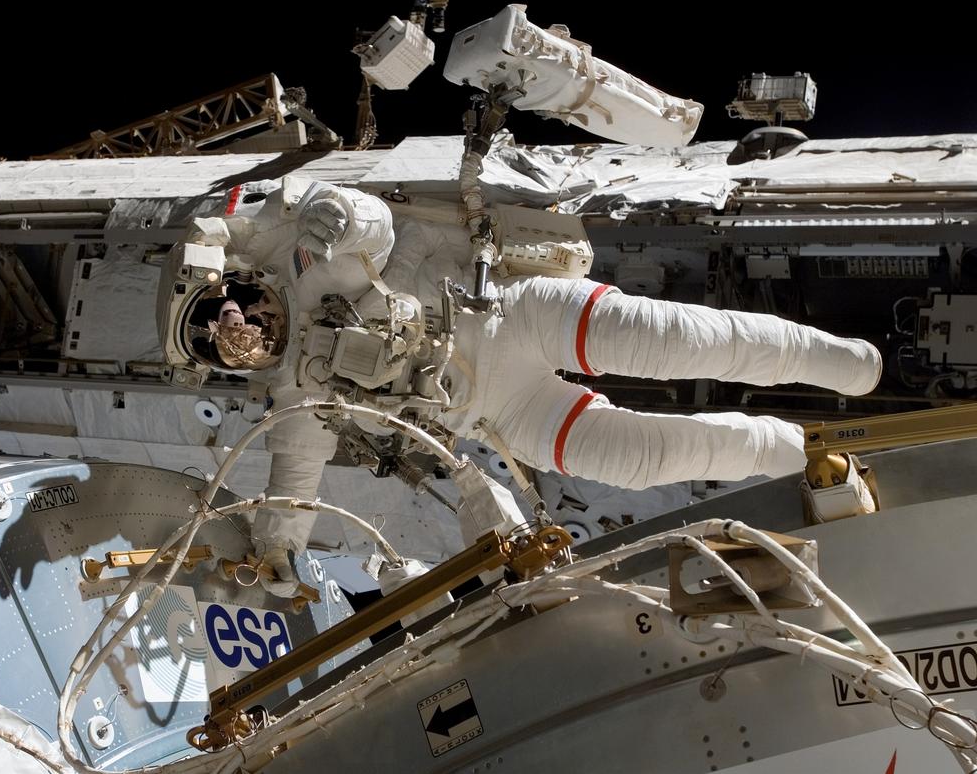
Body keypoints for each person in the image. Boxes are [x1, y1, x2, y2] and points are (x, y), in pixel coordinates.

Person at [161, 180, 881, 595]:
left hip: (515, 316)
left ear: (240, 283)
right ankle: (791, 450)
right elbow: (292, 486)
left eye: (227, 309)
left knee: (688, 341)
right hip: (497, 410)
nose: (238, 328)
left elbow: (373, 230)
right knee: (637, 460)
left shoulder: (310, 261)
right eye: (218, 340)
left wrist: (341, 214)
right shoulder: (296, 403)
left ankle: (840, 362)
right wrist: (276, 558)